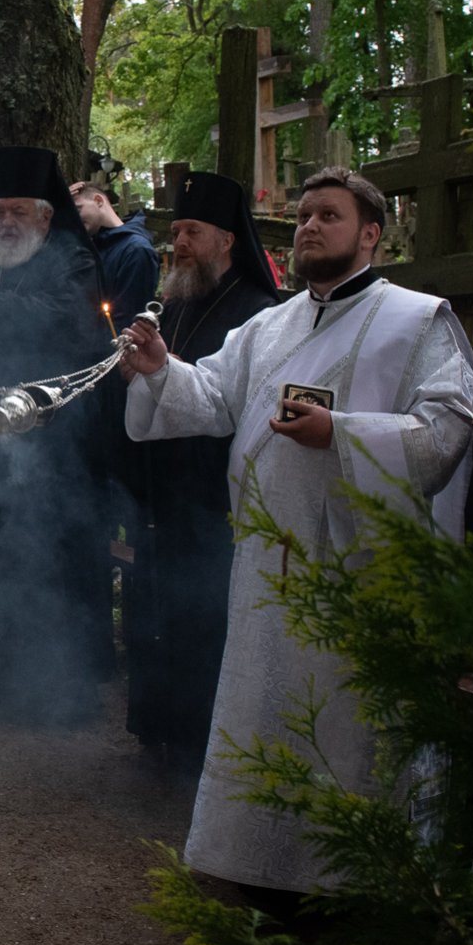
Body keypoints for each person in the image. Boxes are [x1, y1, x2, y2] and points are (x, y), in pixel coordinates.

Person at [121, 165, 473, 898]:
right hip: (264, 559)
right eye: (305, 213)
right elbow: (212, 395)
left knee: (340, 723)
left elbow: (445, 430)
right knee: (263, 710)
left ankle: (343, 879)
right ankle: (256, 864)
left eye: (330, 215)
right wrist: (160, 369)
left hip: (352, 563)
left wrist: (340, 434)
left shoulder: (419, 319)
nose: (311, 225)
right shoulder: (271, 322)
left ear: (371, 233)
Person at [0, 147, 114, 724]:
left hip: (54, 453)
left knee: (45, 562)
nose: (6, 222)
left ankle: (51, 694)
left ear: (45, 216)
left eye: (19, 211)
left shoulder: (74, 264)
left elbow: (71, 319)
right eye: (0, 210)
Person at [117, 171, 280, 772]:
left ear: (228, 240)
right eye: (176, 230)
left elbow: (240, 404)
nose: (178, 242)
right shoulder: (176, 301)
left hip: (212, 496)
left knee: (201, 615)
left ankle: (199, 746)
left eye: (192, 231)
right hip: (161, 489)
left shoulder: (260, 313)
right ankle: (155, 729)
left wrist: (168, 374)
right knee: (154, 609)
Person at [71, 181, 160, 321]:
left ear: (98, 201)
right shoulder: (86, 249)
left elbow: (128, 319)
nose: (74, 220)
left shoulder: (136, 250)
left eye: (77, 210)